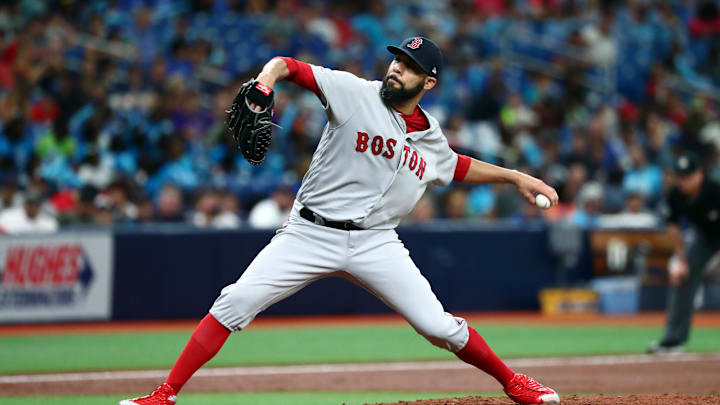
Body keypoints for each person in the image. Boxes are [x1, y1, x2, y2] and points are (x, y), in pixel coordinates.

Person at [120, 37, 561, 405]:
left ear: (428, 81)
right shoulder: (354, 92)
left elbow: (454, 166)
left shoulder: (429, 135)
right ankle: (166, 393)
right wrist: (266, 81)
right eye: (397, 59)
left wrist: (517, 177)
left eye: (409, 67)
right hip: (309, 232)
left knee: (438, 326)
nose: (397, 69)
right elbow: (289, 65)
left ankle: (513, 382)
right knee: (234, 302)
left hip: (376, 242)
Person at [648, 152, 720, 353]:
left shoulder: (715, 190)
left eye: (688, 176)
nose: (683, 181)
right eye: (680, 176)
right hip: (706, 237)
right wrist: (681, 260)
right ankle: (673, 339)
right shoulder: (676, 195)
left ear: (700, 174)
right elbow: (673, 227)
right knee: (682, 277)